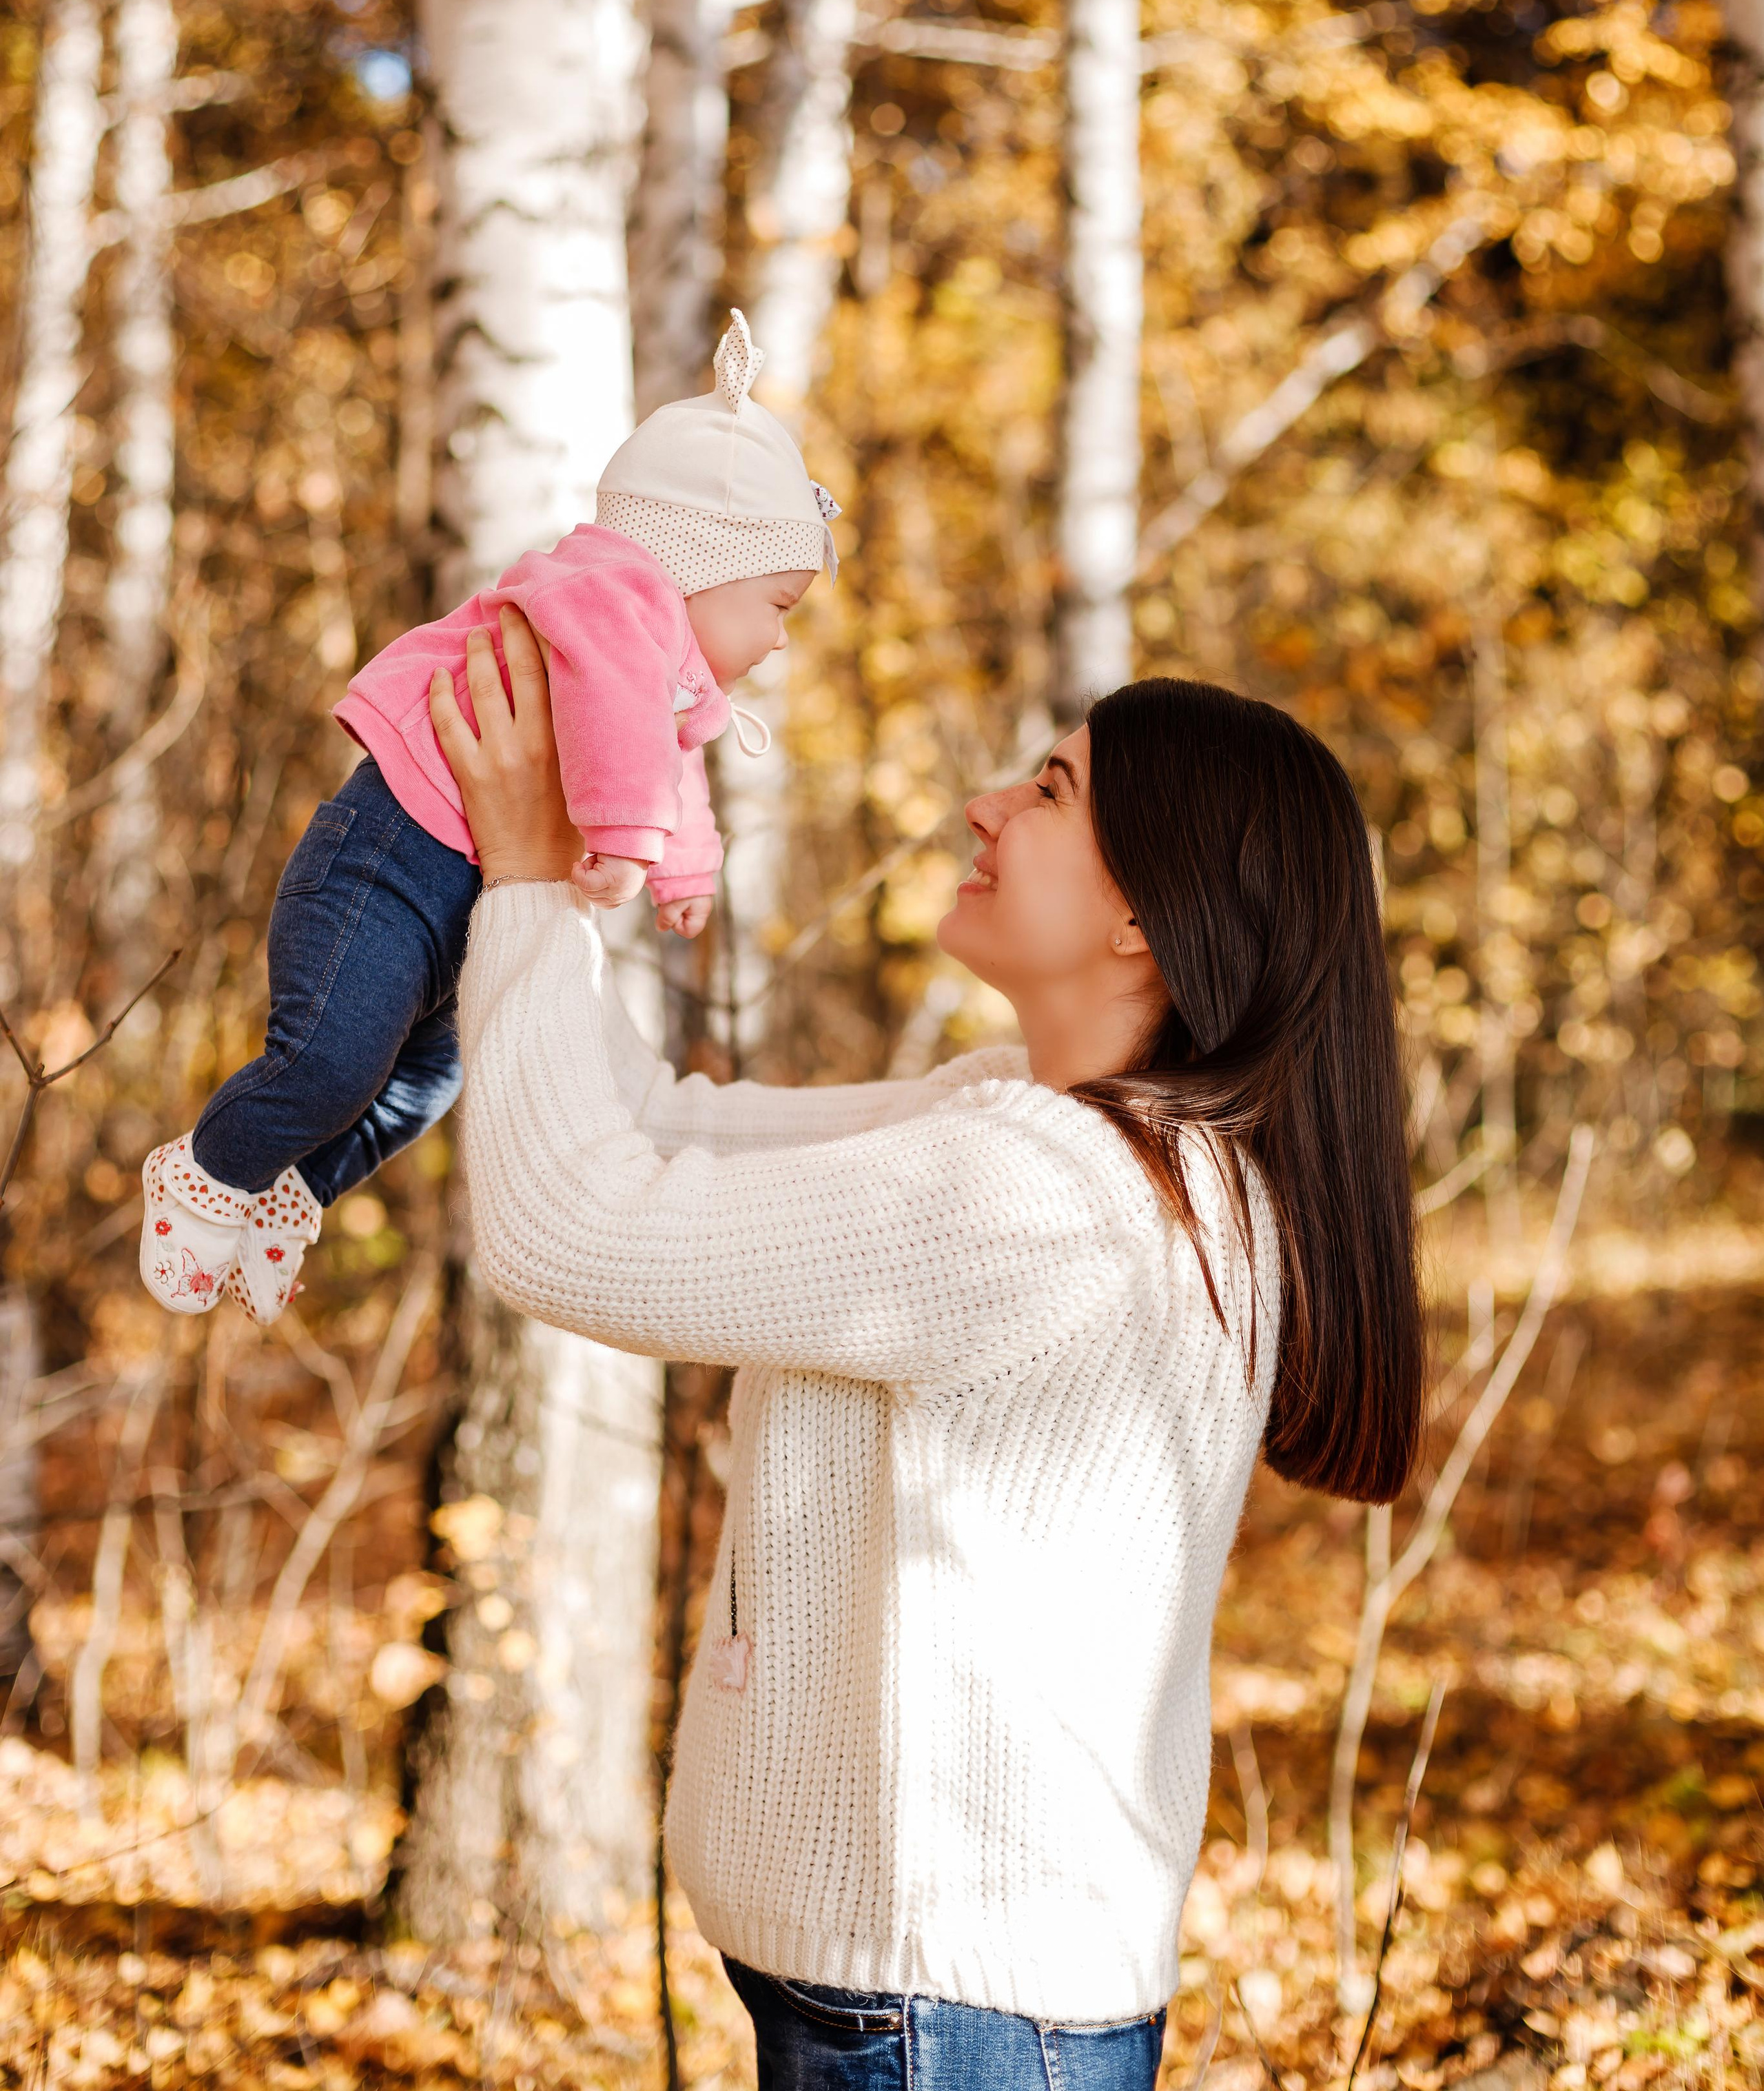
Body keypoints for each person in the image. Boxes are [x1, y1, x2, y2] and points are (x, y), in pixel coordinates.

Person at [431, 611, 1425, 2091]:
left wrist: (517, 877)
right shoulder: (1089, 1146)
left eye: (1047, 790)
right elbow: (661, 1127)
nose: (985, 805)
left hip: (940, 2020)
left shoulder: (1040, 1194)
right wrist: (568, 885)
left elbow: (563, 1225)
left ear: (1142, 913)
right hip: (946, 2004)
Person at [137, 313, 840, 1324]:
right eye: (777, 604)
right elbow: (610, 718)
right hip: (389, 864)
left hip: (465, 905)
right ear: (699, 559)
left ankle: (293, 1187)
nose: (779, 639)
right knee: (331, 1060)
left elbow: (664, 756)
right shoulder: (609, 596)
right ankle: (208, 1169)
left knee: (422, 1089)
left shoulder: (667, 656)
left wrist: (684, 870)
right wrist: (631, 841)